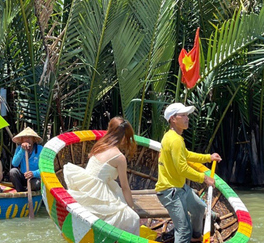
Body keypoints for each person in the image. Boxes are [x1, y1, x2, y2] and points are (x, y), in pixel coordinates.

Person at [155, 103, 222, 243]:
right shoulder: (175, 140)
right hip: (170, 192)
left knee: (198, 208)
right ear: (173, 119)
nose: (187, 118)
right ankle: (188, 237)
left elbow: (186, 155)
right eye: (183, 115)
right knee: (184, 230)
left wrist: (208, 157)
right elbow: (182, 169)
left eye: (187, 115)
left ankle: (196, 237)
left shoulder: (173, 136)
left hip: (179, 187)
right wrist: (204, 178)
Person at [63, 117, 140, 235]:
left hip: (86, 186)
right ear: (123, 137)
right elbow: (125, 187)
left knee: (118, 197)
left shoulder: (100, 145)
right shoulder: (119, 158)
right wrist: (133, 208)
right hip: (97, 192)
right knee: (133, 219)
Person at [10, 127, 43, 192]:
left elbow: (44, 168)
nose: (26, 139)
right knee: (13, 172)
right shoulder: (19, 148)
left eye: (29, 137)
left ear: (33, 140)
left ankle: (29, 190)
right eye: (24, 138)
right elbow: (14, 163)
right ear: (21, 140)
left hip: (34, 178)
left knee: (36, 184)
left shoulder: (40, 149)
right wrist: (22, 150)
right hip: (23, 176)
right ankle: (21, 192)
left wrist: (33, 173)